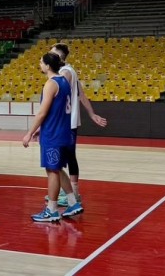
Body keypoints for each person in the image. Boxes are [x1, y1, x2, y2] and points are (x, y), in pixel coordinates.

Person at [23, 52, 82, 222]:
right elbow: (56, 110)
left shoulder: (51, 84)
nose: (40, 65)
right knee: (57, 168)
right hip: (63, 131)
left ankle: (52, 210)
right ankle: (72, 202)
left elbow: (42, 112)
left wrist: (29, 132)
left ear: (48, 66)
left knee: (52, 171)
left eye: (41, 62)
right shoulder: (64, 81)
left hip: (54, 135)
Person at [49, 43, 107, 207]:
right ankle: (70, 192)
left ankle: (72, 194)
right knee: (68, 156)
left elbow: (59, 99)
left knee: (61, 157)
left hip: (65, 121)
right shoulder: (69, 70)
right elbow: (81, 94)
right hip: (70, 120)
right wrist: (91, 113)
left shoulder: (65, 73)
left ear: (59, 56)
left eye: (52, 53)